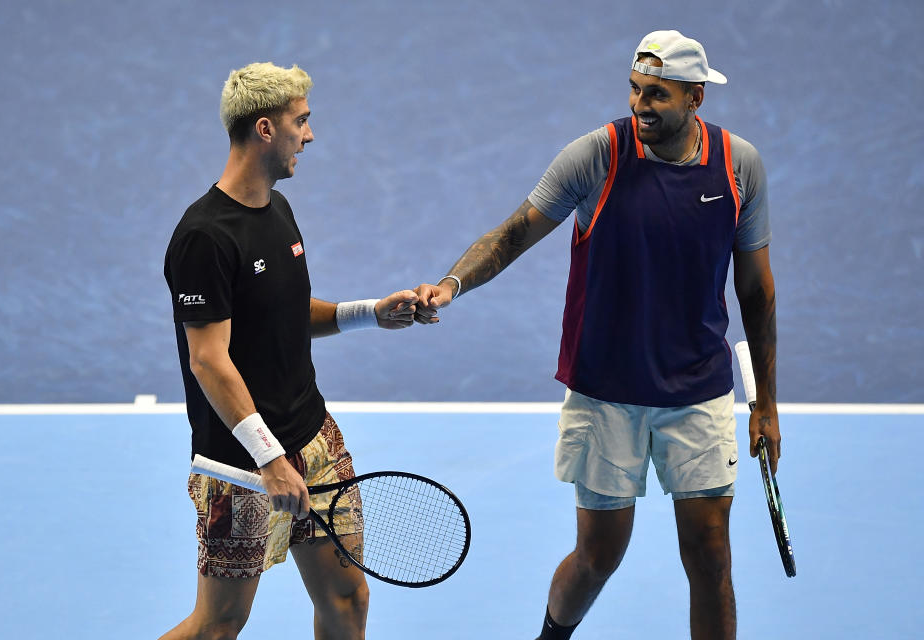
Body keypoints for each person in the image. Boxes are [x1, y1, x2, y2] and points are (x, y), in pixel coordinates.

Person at [414, 31, 780, 640]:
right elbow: (512, 235)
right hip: (605, 389)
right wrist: (451, 284)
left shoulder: (739, 165)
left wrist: (766, 402)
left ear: (695, 99)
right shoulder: (597, 156)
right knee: (599, 555)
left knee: (711, 554)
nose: (640, 105)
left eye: (657, 94)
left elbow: (757, 291)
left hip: (698, 389)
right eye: (635, 90)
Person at [161, 62, 418, 640]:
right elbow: (209, 357)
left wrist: (369, 314)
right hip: (242, 465)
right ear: (265, 129)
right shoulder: (204, 236)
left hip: (313, 437)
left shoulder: (277, 210)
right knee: (220, 623)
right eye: (301, 121)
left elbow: (288, 313)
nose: (310, 134)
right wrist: (269, 458)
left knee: (348, 599)